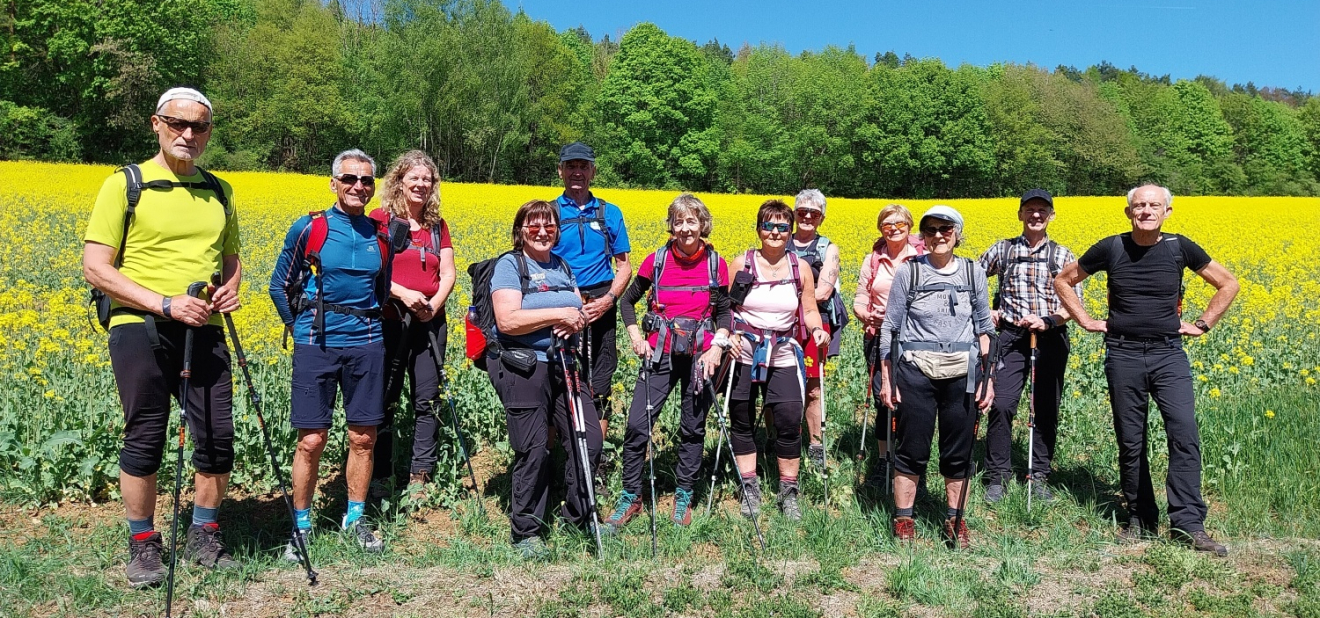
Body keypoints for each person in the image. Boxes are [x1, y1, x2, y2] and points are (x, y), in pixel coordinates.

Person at [83, 87, 242, 587]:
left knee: (217, 434)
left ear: (209, 133)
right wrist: (165, 303)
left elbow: (231, 261)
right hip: (140, 326)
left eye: (199, 127)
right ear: (157, 124)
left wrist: (229, 291)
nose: (188, 134)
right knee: (146, 435)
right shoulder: (125, 185)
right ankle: (144, 544)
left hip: (206, 329)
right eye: (178, 124)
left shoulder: (220, 191)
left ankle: (204, 534)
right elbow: (96, 268)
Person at [1054, 184, 1238, 556]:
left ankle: (1188, 524)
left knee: (1184, 434)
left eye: (1155, 205)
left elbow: (1228, 283)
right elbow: (1063, 280)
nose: (1146, 211)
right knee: (1131, 438)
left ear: (1167, 212)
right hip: (1122, 354)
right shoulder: (1112, 247)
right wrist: (1086, 320)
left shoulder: (1179, 247)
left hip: (1169, 354)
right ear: (1128, 213)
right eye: (1139, 206)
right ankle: (1140, 518)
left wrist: (1203, 323)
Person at [269, 149, 393, 556]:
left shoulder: (380, 236)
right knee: (311, 440)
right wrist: (298, 329)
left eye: (366, 181)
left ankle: (355, 519)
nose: (359, 187)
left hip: (367, 343)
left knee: (363, 438)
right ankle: (301, 526)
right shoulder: (310, 228)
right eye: (350, 179)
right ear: (334, 183)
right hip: (317, 345)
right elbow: (278, 285)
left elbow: (381, 289)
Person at [604, 194, 732, 530]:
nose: (686, 228)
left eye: (692, 221)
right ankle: (631, 495)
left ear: (702, 224)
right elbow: (628, 301)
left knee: (692, 427)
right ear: (671, 226)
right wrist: (635, 337)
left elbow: (724, 312)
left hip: (700, 356)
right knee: (636, 426)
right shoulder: (656, 260)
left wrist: (718, 347)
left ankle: (684, 495)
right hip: (659, 351)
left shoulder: (716, 264)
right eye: (679, 221)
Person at [486, 199, 601, 558]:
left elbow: (577, 311)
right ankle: (526, 531)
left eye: (549, 225)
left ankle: (578, 518)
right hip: (525, 366)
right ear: (520, 231)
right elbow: (507, 320)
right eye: (533, 225)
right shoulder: (510, 265)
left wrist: (576, 317)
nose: (541, 232)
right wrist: (560, 314)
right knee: (533, 448)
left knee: (590, 440)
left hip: (565, 365)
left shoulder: (563, 266)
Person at [879, 206, 995, 549]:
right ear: (923, 236)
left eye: (946, 229)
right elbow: (891, 326)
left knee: (958, 452)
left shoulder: (974, 273)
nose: (938, 235)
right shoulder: (909, 273)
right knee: (912, 448)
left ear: (957, 233)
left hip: (964, 372)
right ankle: (904, 518)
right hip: (916, 369)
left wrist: (988, 378)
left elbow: (985, 329)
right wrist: (888, 378)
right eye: (930, 230)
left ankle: (954, 520)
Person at [726, 200, 831, 522]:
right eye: (769, 226)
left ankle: (789, 492)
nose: (775, 232)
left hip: (784, 349)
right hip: (744, 349)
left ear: (790, 231)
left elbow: (810, 307)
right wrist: (727, 335)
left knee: (788, 419)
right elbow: (726, 306)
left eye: (782, 227)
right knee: (741, 419)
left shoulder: (800, 268)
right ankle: (750, 488)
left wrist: (816, 330)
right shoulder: (742, 263)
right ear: (759, 229)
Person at [978, 189, 1079, 504]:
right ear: (1020, 214)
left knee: (1045, 408)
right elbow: (971, 279)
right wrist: (986, 310)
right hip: (1010, 338)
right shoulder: (1003, 250)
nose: (1036, 215)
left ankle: (1038, 476)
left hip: (1049, 337)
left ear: (1051, 216)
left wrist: (1049, 320)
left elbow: (1074, 306)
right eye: (1030, 209)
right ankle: (997, 476)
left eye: (1042, 210)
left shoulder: (1062, 256)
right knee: (1002, 405)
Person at [368, 151, 457, 500]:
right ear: (399, 182)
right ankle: (380, 474)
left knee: (427, 399)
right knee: (384, 398)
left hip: (430, 324)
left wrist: (433, 306)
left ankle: (420, 475)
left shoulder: (437, 226)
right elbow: (372, 269)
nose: (420, 185)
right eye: (413, 178)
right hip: (389, 321)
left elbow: (447, 272)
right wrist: (403, 294)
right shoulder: (380, 220)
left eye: (427, 180)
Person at [551, 142, 632, 453]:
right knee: (558, 377)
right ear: (560, 170)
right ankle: (560, 456)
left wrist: (609, 299)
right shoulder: (550, 212)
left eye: (583, 167)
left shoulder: (610, 212)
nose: (577, 172)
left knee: (601, 378)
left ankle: (593, 457)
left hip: (601, 302)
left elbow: (623, 264)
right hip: (559, 302)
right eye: (571, 166)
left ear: (593, 171)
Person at [852, 204, 922, 486]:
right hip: (878, 336)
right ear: (880, 228)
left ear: (909, 226)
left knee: (914, 400)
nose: (894, 228)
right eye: (887, 224)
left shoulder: (921, 257)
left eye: (900, 224)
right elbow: (860, 296)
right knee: (885, 399)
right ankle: (884, 459)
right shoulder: (873, 260)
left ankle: (910, 458)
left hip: (915, 338)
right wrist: (864, 313)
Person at [788, 189, 845, 471]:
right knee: (779, 384)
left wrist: (783, 295)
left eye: (814, 213)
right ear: (795, 214)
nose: (808, 217)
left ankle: (815, 444)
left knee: (813, 387)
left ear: (821, 217)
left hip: (815, 323)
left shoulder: (827, 248)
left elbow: (822, 292)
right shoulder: (779, 240)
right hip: (782, 321)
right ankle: (780, 439)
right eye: (802, 212)